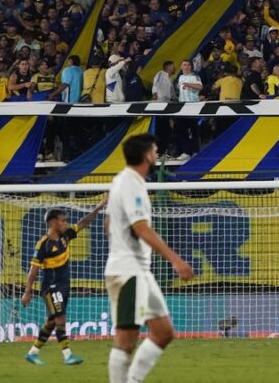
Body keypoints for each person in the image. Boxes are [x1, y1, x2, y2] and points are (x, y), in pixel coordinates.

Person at [105, 134, 194, 383]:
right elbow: (141, 228)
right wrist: (175, 260)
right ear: (145, 155)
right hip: (129, 271)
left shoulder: (123, 182)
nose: (156, 155)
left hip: (139, 271)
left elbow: (109, 225)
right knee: (126, 338)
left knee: (164, 332)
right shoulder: (131, 184)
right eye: (155, 150)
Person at [22, 200, 106, 365]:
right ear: (53, 222)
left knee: (52, 321)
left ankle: (33, 352)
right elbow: (33, 270)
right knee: (60, 319)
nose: (66, 223)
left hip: (63, 286)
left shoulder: (65, 235)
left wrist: (100, 206)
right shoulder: (44, 244)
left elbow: (84, 222)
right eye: (63, 220)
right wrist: (27, 291)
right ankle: (67, 355)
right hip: (51, 288)